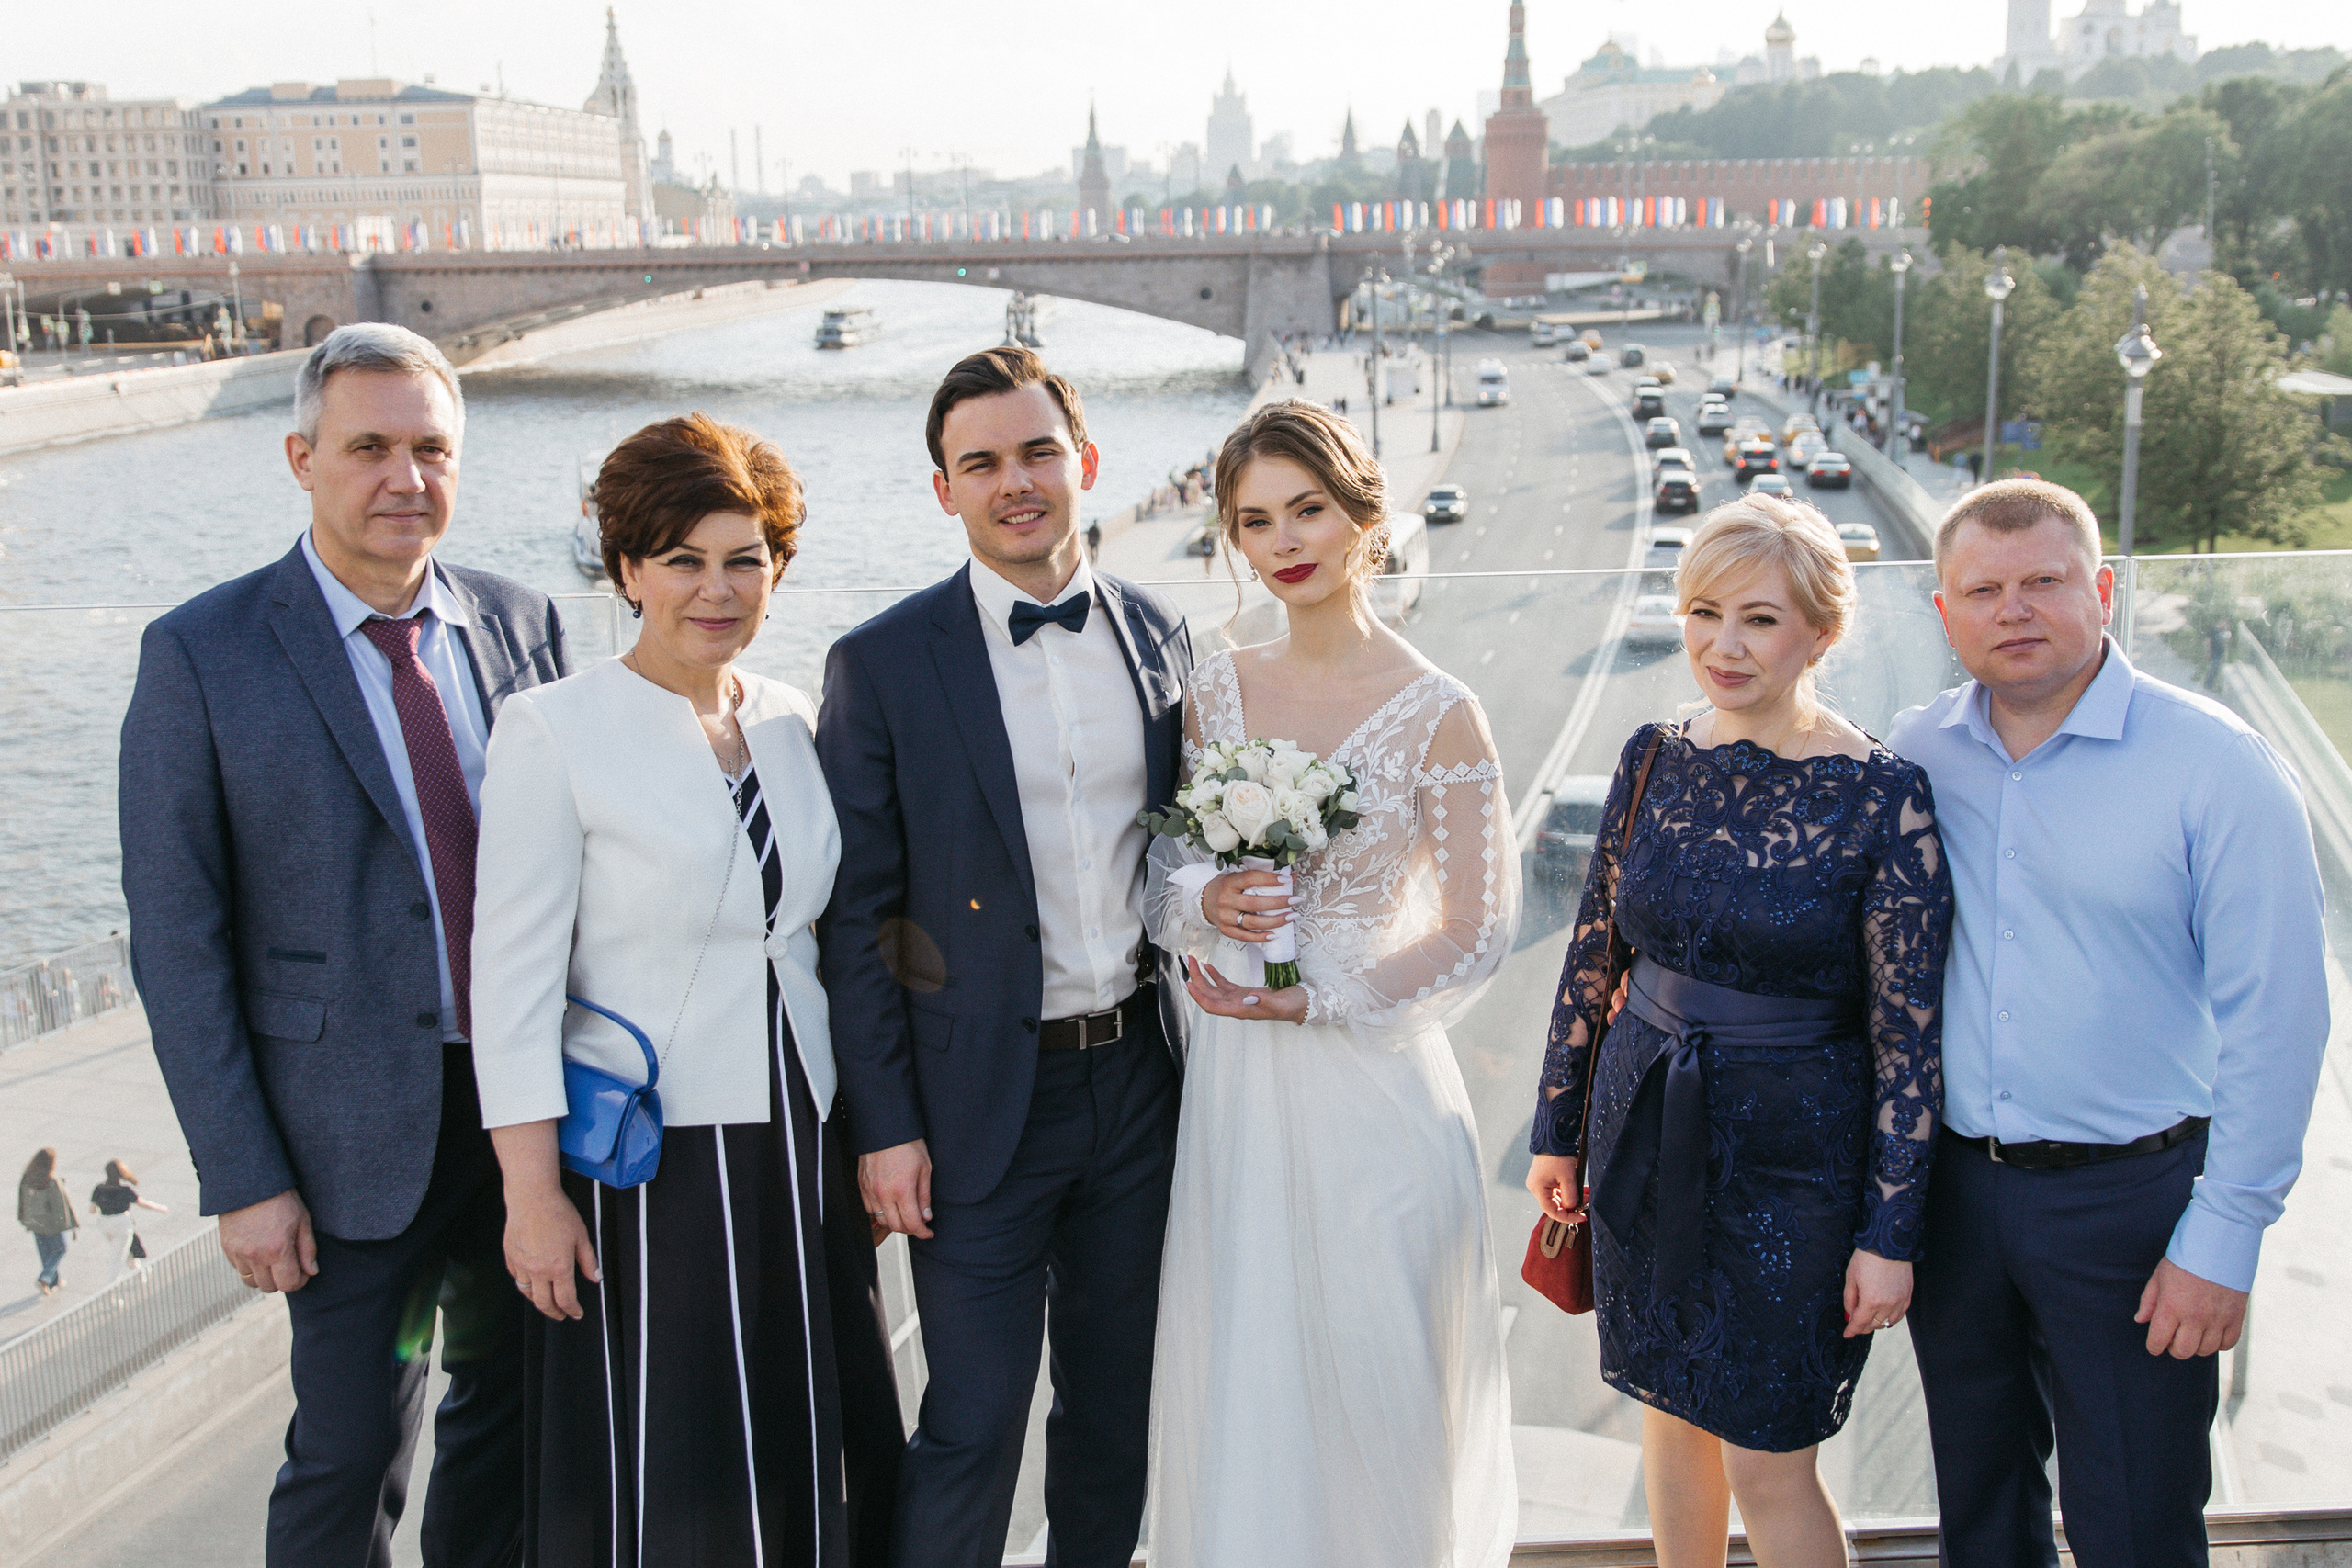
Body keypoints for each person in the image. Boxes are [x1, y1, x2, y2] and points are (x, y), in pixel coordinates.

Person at [119, 322, 568, 1566]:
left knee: (516, 1424)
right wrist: (243, 1173)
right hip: (343, 1144)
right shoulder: (201, 653)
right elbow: (178, 939)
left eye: (431, 448)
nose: (403, 477)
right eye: (368, 447)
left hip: (532, 1116)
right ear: (299, 456)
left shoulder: (524, 624)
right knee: (350, 1454)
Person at [472, 412, 892, 1566]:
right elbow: (508, 988)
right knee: (675, 1452)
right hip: (650, 1162)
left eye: (745, 560)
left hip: (800, 1140)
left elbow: (823, 934)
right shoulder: (552, 731)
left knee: (810, 1428)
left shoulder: (796, 719)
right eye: (685, 561)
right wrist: (529, 1198)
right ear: (626, 570)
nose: (718, 589)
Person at [1888, 479, 2329, 1568]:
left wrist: (2224, 1238)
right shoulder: (1912, 753)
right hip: (1956, 1200)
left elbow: (2280, 1019)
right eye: (1982, 590)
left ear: (2106, 590)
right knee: (1980, 1518)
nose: (2015, 609)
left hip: (2134, 1208)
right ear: (1944, 615)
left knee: (2133, 1525)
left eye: (2045, 580)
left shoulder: (2216, 767)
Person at [816, 345, 1192, 1567]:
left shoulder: (1160, 635)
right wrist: (884, 1123)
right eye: (980, 462)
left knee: (1113, 1414)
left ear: (1083, 464)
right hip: (976, 1099)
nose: (1013, 481)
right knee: (971, 1420)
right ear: (944, 491)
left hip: (1137, 1079)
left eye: (1036, 453)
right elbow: (858, 916)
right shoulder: (879, 662)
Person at [1526, 496, 1952, 1568]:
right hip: (1643, 1131)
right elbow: (1593, 955)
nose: (1723, 644)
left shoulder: (1882, 798)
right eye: (1702, 611)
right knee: (1667, 1421)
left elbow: (1910, 1039)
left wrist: (1888, 1233)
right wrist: (1555, 1128)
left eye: (1758, 619)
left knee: (1768, 1459)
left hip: (1794, 1169)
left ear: (1820, 632)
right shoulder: (1651, 756)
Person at [1140, 400, 1521, 1566]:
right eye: (1254, 521)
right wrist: (1207, 903)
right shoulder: (1214, 690)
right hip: (1239, 1092)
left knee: (1377, 1367)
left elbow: (1476, 926)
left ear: (1364, 515)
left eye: (1307, 509)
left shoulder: (1440, 710)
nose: (1283, 541)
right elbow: (1163, 873)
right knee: (1251, 1364)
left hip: (1371, 1091)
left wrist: (1316, 994)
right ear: (1234, 543)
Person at [89, 1158, 168, 1285]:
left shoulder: (98, 1189)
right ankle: (111, 1290)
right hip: (121, 1225)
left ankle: (140, 1275)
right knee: (118, 1259)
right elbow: (142, 1203)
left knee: (124, 1252)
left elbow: (92, 1210)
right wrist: (161, 1208)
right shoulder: (124, 1190)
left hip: (105, 1225)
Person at [18, 1148, 76, 1295]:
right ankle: (44, 1279)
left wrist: (23, 1217)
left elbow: (22, 1198)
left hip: (35, 1222)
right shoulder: (51, 1180)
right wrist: (68, 1223)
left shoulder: (27, 1177)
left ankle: (53, 1282)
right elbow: (60, 1204)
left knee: (45, 1251)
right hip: (51, 1223)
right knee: (60, 1248)